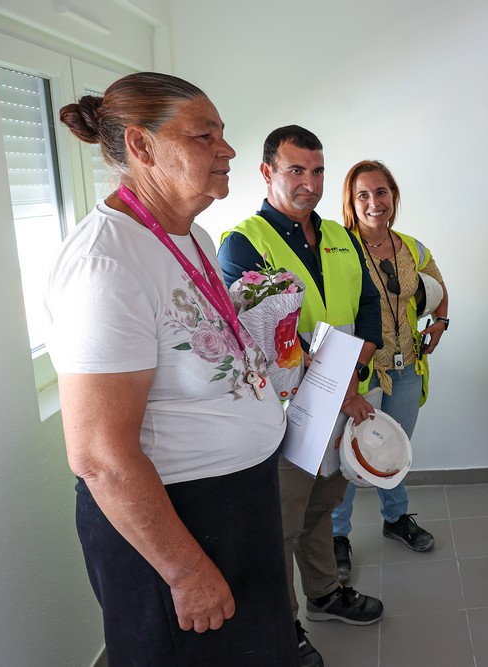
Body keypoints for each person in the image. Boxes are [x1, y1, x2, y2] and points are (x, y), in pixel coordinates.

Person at [48, 72, 298, 666]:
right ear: (142, 147)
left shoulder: (192, 236)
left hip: (236, 502)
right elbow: (99, 457)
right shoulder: (105, 264)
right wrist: (185, 571)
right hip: (179, 520)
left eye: (223, 133)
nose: (228, 149)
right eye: (204, 134)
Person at [218, 126, 384, 667]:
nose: (309, 183)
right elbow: (255, 333)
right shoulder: (244, 243)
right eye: (296, 170)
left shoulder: (340, 235)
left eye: (317, 171)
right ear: (267, 172)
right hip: (287, 413)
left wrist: (363, 354)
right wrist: (329, 373)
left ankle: (325, 595)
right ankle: (281, 625)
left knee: (322, 508)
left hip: (345, 400)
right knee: (281, 524)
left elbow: (366, 304)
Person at [331, 160, 449, 579]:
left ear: (393, 196)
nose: (373, 202)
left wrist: (440, 322)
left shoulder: (413, 249)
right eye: (363, 194)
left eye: (381, 192)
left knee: (393, 449)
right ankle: (337, 536)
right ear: (351, 201)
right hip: (360, 374)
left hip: (407, 369)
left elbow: (438, 291)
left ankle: (396, 519)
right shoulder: (338, 249)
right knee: (345, 456)